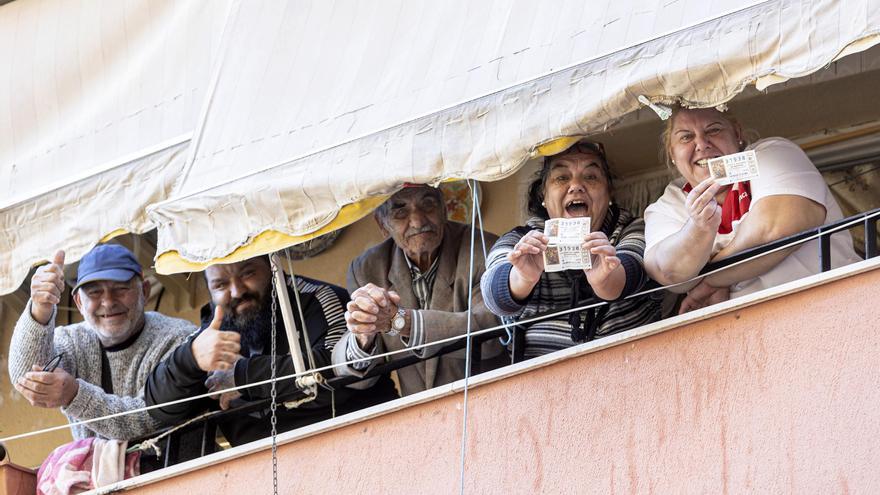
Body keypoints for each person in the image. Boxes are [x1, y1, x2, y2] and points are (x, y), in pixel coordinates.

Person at [144, 256, 397, 446]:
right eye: (220, 285)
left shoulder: (320, 298)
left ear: (272, 265)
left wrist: (243, 378)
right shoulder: (210, 333)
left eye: (247, 273)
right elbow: (159, 409)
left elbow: (336, 370)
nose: (236, 291)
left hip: (358, 444)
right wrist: (188, 359)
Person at [643, 107, 861, 312]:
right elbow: (670, 271)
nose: (701, 144)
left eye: (714, 130)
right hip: (751, 336)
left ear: (737, 133)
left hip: (836, 305)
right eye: (686, 137)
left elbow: (774, 230)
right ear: (672, 153)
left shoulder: (771, 152)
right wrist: (698, 228)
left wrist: (706, 280)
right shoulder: (667, 205)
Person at [481, 141, 661, 360]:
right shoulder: (522, 240)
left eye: (591, 177)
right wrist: (523, 277)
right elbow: (492, 295)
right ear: (544, 197)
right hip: (543, 382)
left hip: (634, 367)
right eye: (562, 177)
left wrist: (605, 278)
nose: (576, 186)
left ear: (609, 192)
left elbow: (634, 267)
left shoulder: (632, 228)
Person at [332, 184, 506, 396]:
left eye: (428, 204)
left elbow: (490, 338)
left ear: (444, 210)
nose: (418, 221)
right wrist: (363, 337)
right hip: (419, 416)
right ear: (382, 224)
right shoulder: (366, 268)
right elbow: (356, 379)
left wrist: (402, 323)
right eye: (400, 211)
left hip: (489, 402)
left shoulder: (483, 249)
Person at [8, 244, 196, 440]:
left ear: (145, 292)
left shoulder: (179, 338)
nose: (108, 302)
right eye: (94, 292)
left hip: (181, 469)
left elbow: (152, 418)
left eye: (121, 289)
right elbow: (27, 374)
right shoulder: (72, 339)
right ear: (79, 303)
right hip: (95, 471)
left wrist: (75, 396)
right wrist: (40, 308)